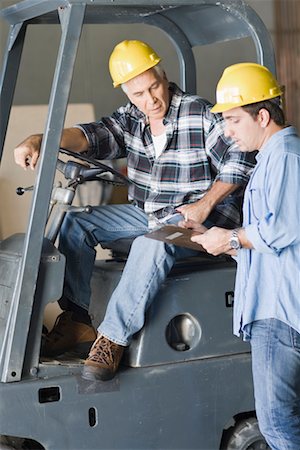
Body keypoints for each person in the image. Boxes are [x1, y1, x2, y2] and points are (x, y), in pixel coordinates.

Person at [14, 40, 254, 382]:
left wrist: (205, 204)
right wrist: (41, 138)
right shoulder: (132, 119)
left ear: (163, 75)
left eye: (154, 87)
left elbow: (240, 158)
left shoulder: (198, 113)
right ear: (127, 93)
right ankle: (79, 321)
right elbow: (91, 136)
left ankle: (111, 338)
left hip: (198, 222)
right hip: (150, 214)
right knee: (75, 224)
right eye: (138, 93)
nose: (150, 99)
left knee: (152, 242)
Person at [190, 62, 300, 449]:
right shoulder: (270, 159)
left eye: (234, 119)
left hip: (279, 313)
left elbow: (283, 229)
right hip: (272, 306)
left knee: (278, 425)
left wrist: (233, 239)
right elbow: (272, 245)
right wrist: (215, 240)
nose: (228, 130)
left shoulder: (286, 156)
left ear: (263, 115)